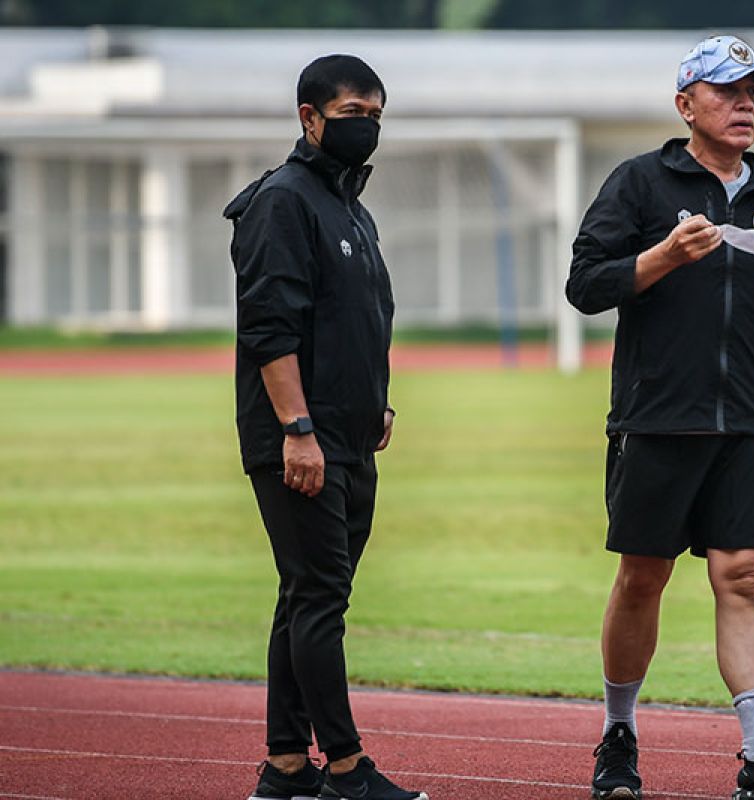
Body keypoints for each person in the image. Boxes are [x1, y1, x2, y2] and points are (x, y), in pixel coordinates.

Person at [567, 35, 754, 800]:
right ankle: (618, 737)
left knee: (745, 576)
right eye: (729, 91)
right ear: (686, 103)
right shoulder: (639, 183)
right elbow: (586, 285)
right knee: (642, 578)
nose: (746, 103)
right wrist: (662, 256)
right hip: (659, 415)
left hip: (751, 420)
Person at [223, 54, 427, 800]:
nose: (365, 128)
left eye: (375, 115)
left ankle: (285, 766)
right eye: (351, 115)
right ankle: (344, 768)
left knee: (305, 594)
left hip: (349, 435)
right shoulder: (282, 202)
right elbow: (270, 330)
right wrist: (297, 427)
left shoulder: (351, 208)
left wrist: (375, 401)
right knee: (320, 597)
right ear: (309, 118)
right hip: (299, 439)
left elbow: (357, 319)